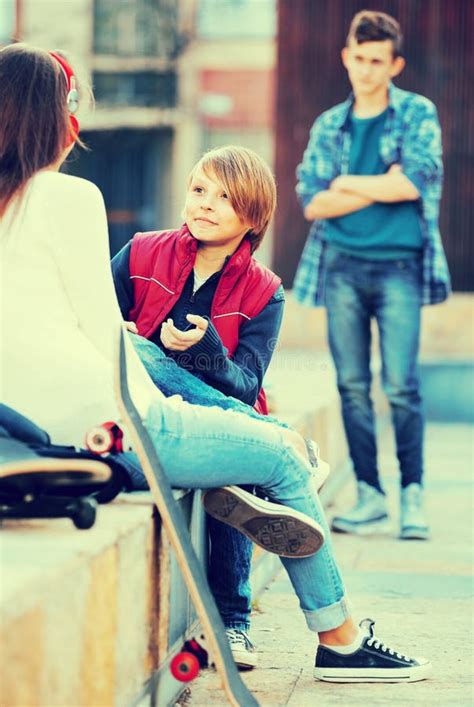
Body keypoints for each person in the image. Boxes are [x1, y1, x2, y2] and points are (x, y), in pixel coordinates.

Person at [0, 42, 432, 684]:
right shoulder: (70, 199)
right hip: (111, 421)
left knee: (189, 399)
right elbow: (107, 339)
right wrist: (178, 404)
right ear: (57, 121)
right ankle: (340, 643)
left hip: (23, 428)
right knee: (282, 459)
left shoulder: (258, 287)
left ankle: (226, 459)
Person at [111, 144, 297, 668]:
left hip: (213, 418)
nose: (204, 204)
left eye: (224, 197)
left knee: (238, 462)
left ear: (253, 217)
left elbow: (245, 385)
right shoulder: (142, 251)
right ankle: (276, 440)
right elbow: (92, 318)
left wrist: (210, 353)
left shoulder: (265, 292)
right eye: (198, 190)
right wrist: (121, 331)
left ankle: (232, 625)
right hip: (144, 408)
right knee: (141, 351)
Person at [295, 10, 451, 540]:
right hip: (341, 267)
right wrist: (376, 182)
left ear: (395, 64)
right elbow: (312, 203)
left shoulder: (416, 114)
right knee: (352, 386)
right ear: (346, 56)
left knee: (402, 385)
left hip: (400, 268)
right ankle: (370, 495)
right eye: (358, 59)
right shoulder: (328, 125)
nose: (365, 70)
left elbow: (416, 182)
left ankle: (412, 496)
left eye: (377, 61)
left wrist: (346, 185)